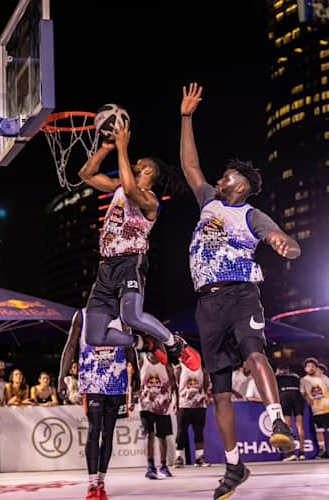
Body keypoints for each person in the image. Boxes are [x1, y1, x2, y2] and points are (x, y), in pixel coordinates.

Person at [180, 82, 301, 500]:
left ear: (242, 184)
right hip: (206, 302)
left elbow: (279, 236)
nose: (219, 176)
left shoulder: (249, 213)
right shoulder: (207, 202)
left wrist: (285, 244)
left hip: (240, 294)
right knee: (220, 390)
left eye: (227, 175)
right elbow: (190, 164)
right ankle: (234, 467)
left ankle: (277, 420)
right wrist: (186, 117)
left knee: (254, 352)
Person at [78, 121, 200, 372]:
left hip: (130, 261)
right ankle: (143, 342)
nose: (134, 163)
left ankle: (175, 344)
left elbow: (132, 191)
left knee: (131, 316)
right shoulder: (118, 187)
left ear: (147, 171)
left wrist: (123, 148)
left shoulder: (150, 200)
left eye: (138, 163)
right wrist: (105, 148)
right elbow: (85, 175)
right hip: (106, 265)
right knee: (94, 336)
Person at [58, 308, 140, 500]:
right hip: (92, 381)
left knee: (108, 433)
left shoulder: (122, 317)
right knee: (94, 430)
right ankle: (92, 484)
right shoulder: (83, 315)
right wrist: (62, 376)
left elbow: (130, 345)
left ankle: (101, 481)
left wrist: (135, 370)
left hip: (116, 381)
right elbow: (71, 346)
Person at [139, 351, 176, 480]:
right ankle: (150, 466)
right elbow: (134, 379)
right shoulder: (142, 361)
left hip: (163, 405)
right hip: (146, 405)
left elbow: (173, 383)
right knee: (149, 434)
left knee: (162, 436)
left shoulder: (165, 363)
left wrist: (175, 401)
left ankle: (164, 466)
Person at [173, 359, 211, 468]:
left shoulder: (202, 368)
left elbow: (206, 383)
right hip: (184, 404)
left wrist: (207, 395)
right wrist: (175, 402)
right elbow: (175, 387)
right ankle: (179, 457)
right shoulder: (179, 368)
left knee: (198, 431)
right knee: (181, 432)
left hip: (199, 404)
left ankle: (199, 458)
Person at [275, 365, 306, 461]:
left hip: (285, 395)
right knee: (299, 425)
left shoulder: (277, 377)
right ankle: (302, 453)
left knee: (288, 425)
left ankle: (291, 453)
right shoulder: (296, 376)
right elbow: (302, 390)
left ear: (279, 370)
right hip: (297, 395)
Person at [300, 357, 329, 459]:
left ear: (316, 368)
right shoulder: (304, 380)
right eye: (308, 366)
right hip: (317, 410)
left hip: (328, 407)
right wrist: (307, 399)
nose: (311, 368)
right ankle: (322, 450)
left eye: (313, 366)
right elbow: (303, 392)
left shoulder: (323, 378)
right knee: (319, 431)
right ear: (305, 369)